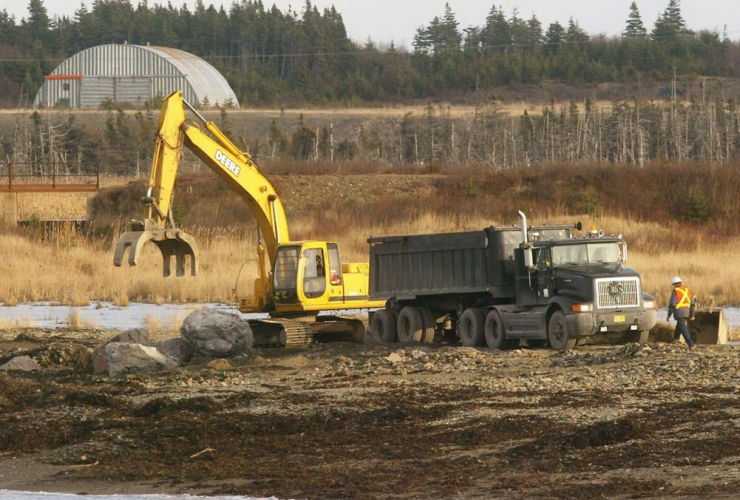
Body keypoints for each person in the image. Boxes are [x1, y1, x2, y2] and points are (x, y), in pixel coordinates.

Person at [667, 276, 695, 348]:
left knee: (683, 328)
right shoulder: (687, 290)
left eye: (673, 285)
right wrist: (692, 314)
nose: (673, 286)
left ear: (675, 284)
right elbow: (692, 304)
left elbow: (672, 304)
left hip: (679, 312)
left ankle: (690, 343)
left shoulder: (675, 291)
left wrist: (668, 315)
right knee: (679, 326)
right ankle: (676, 339)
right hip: (687, 312)